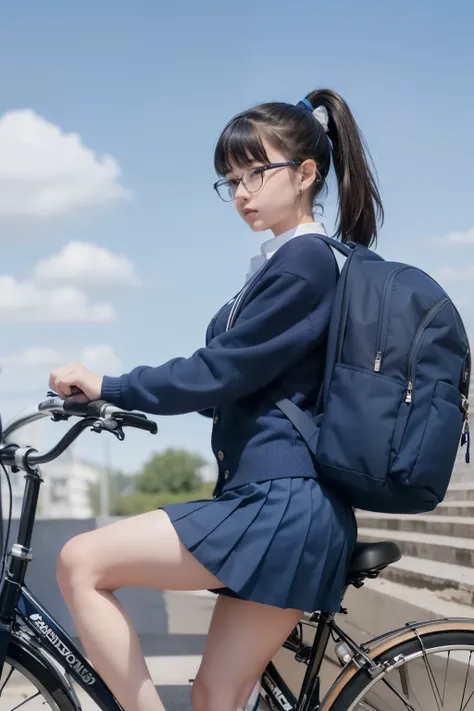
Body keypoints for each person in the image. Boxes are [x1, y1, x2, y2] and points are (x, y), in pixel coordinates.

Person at [50, 88, 383, 711]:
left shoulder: (306, 263)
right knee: (216, 698)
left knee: (80, 562)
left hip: (281, 506)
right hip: (269, 499)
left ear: (307, 174)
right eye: (231, 180)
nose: (242, 193)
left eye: (258, 172)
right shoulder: (279, 265)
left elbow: (221, 370)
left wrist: (113, 385)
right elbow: (240, 383)